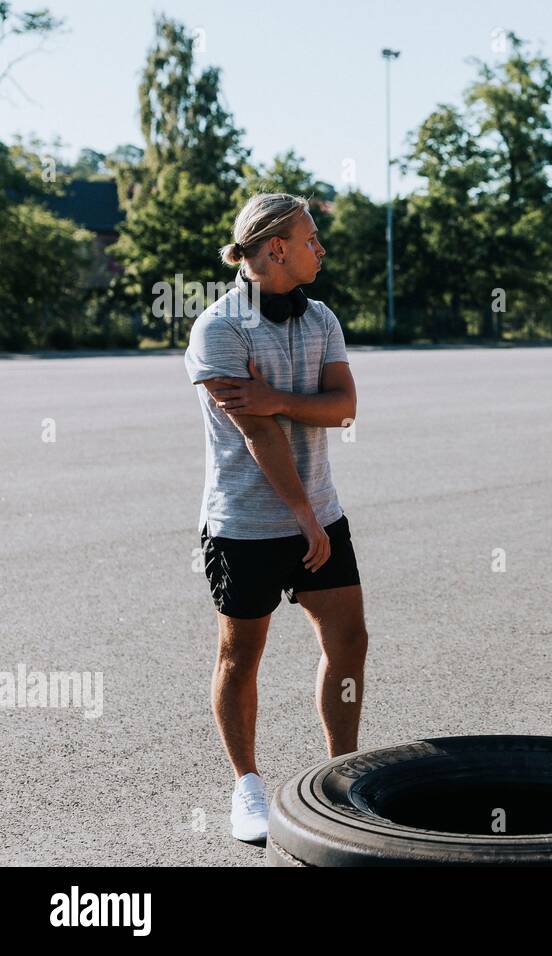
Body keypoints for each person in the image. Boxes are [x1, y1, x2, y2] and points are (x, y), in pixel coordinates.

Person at [183, 193, 367, 844]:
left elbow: (343, 406)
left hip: (321, 513)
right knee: (241, 654)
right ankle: (248, 787)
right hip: (245, 523)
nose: (321, 248)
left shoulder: (320, 319)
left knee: (349, 642)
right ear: (275, 248)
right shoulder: (220, 328)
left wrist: (279, 396)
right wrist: (301, 517)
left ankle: (341, 777)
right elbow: (258, 432)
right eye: (311, 238)